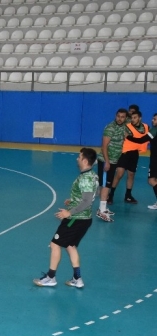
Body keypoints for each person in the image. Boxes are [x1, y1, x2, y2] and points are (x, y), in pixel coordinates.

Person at [34, 148, 98, 289]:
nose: (77, 159)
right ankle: (77, 278)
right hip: (84, 219)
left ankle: (50, 277)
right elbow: (90, 195)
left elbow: (87, 201)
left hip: (75, 219)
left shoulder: (86, 178)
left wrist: (69, 212)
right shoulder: (92, 175)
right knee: (70, 246)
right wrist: (73, 200)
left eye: (79, 157)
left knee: (55, 244)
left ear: (85, 161)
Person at [109, 111, 149, 205]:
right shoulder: (126, 126)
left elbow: (144, 139)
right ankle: (111, 195)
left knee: (131, 175)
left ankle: (128, 196)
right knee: (119, 174)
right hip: (125, 153)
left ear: (140, 118)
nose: (133, 119)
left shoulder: (146, 127)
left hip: (134, 154)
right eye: (132, 118)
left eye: (135, 117)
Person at [95, 108, 128, 222]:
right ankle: (101, 210)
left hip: (115, 161)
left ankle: (103, 207)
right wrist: (107, 161)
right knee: (105, 185)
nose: (120, 119)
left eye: (122, 117)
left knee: (107, 185)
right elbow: (104, 146)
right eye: (118, 116)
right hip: (106, 161)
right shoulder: (110, 128)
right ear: (115, 116)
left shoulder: (124, 127)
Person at [124, 113, 157, 210]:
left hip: (155, 160)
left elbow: (141, 140)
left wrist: (128, 136)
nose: (152, 120)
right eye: (153, 118)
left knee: (151, 180)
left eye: (155, 119)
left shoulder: (154, 130)